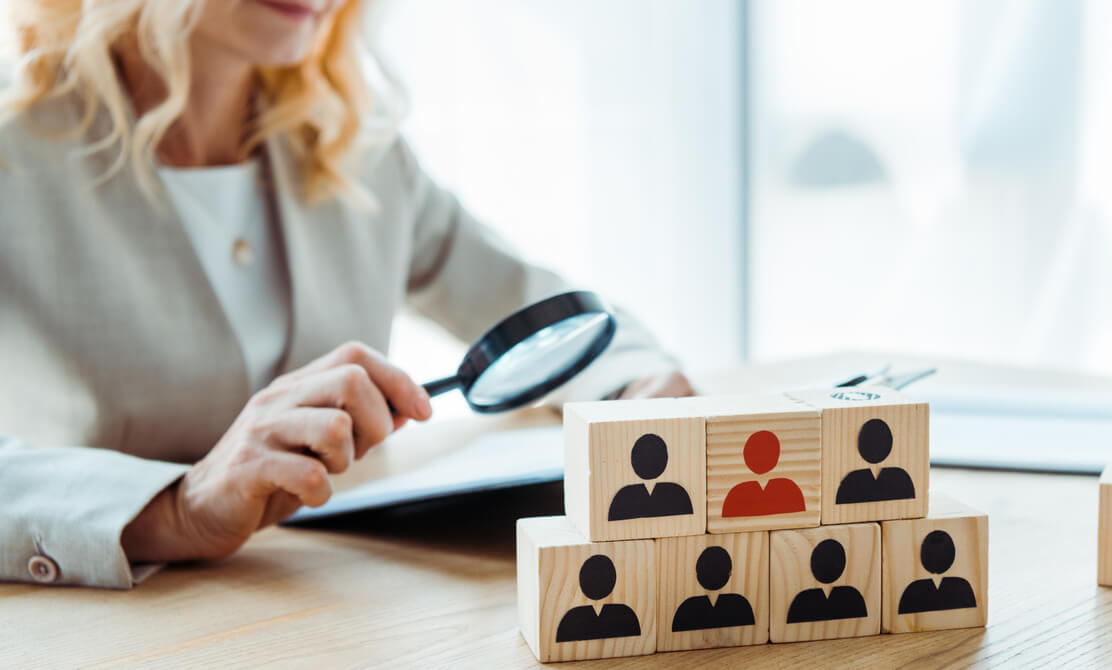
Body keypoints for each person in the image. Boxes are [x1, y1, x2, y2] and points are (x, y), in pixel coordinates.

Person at [0, 0, 692, 589]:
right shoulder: (15, 154)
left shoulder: (352, 147)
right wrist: (176, 508)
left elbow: (538, 307)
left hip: (337, 611)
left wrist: (639, 384)